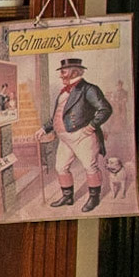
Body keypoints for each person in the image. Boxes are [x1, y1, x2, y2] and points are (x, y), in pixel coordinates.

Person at [37, 56, 112, 212]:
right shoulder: (64, 91)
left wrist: (91, 126)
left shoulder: (89, 89)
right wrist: (44, 128)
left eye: (63, 72)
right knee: (61, 167)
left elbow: (105, 109)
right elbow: (58, 116)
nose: (60, 75)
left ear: (73, 72)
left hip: (82, 137)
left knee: (90, 167)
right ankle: (68, 197)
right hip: (65, 138)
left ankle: (94, 198)